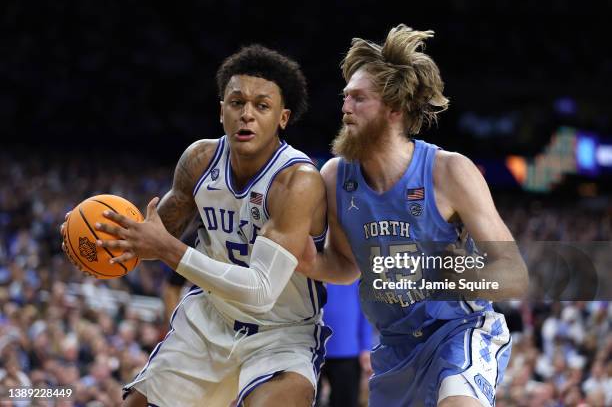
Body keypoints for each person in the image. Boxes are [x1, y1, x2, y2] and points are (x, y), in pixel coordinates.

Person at [62, 45, 330, 407]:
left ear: (282, 118)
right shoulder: (200, 160)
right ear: (221, 111)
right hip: (209, 322)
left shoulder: (297, 181)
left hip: (281, 335)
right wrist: (97, 240)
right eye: (236, 103)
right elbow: (150, 237)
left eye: (261, 106)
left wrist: (168, 250)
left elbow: (261, 291)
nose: (246, 115)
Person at [297, 25, 528, 407]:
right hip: (395, 347)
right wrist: (310, 262)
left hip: (459, 329)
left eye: (358, 99)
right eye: (345, 97)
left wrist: (467, 277)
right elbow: (348, 267)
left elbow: (515, 274)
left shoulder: (449, 171)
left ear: (394, 109)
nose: (344, 108)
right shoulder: (335, 177)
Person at [316, 281, 372, 407]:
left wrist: (366, 347)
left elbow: (366, 310)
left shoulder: (355, 271)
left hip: (347, 349)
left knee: (346, 402)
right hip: (310, 349)